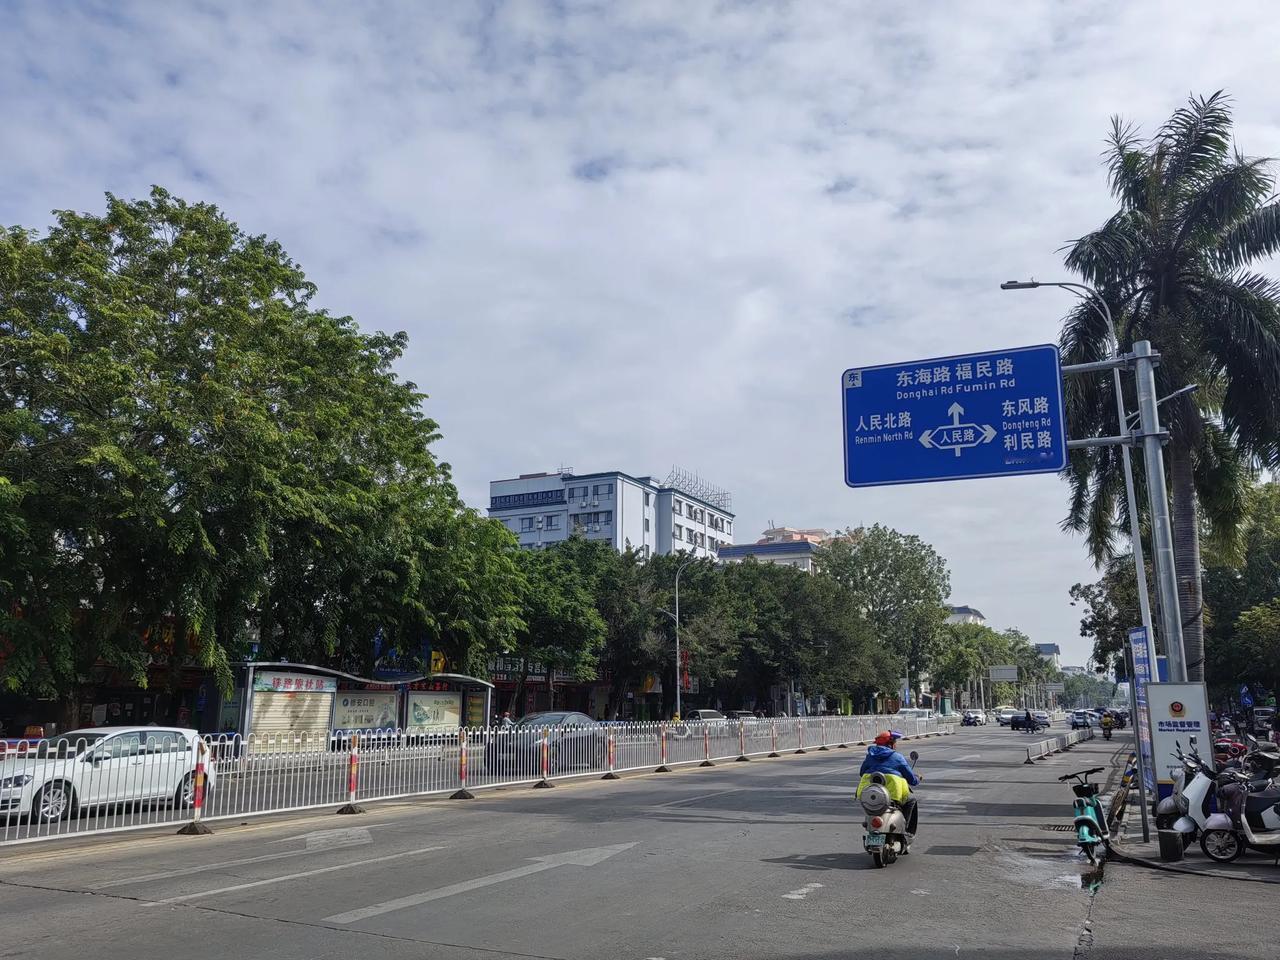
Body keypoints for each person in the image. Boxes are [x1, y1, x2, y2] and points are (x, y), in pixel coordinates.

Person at [858, 730, 921, 835]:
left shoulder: (870, 756)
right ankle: (906, 830)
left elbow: (862, 772)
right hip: (894, 796)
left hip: (870, 797)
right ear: (890, 744)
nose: (896, 745)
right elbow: (912, 780)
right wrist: (917, 778)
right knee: (911, 802)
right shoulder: (897, 757)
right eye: (895, 742)